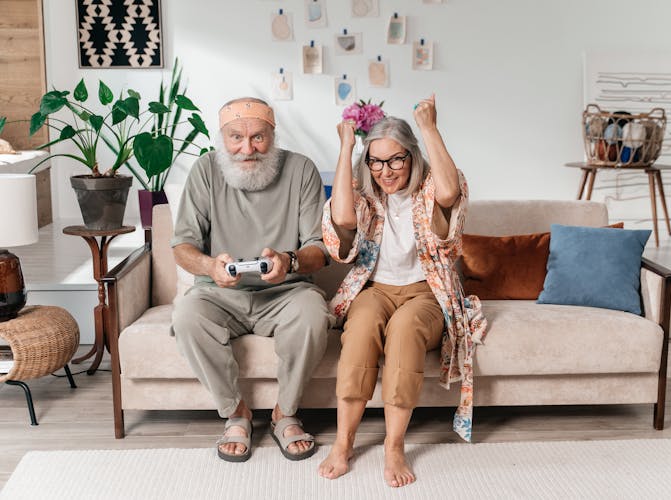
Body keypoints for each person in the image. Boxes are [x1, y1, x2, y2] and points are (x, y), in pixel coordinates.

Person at [318, 95, 487, 487]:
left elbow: (450, 194)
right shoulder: (366, 194)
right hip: (374, 290)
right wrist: (346, 147)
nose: (386, 170)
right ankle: (343, 443)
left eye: (396, 159)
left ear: (412, 157)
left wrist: (429, 128)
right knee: (359, 332)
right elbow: (342, 219)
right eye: (376, 161)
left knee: (405, 330)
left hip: (425, 293)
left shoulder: (430, 189)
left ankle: (394, 446)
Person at [171, 97, 332, 463]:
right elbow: (182, 246)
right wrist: (211, 266)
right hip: (220, 294)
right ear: (222, 138)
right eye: (236, 138)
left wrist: (289, 261)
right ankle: (236, 412)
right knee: (186, 316)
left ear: (273, 135)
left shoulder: (301, 170)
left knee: (312, 313)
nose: (248, 149)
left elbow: (319, 250)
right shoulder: (205, 170)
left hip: (287, 291)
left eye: (258, 137)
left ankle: (284, 413)